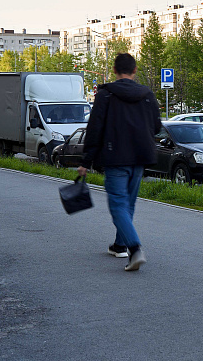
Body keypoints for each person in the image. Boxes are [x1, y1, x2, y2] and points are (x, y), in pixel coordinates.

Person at [78, 53, 161, 272]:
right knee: (128, 205)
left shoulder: (106, 95)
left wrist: (86, 161)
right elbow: (157, 126)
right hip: (140, 158)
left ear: (115, 71)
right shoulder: (147, 95)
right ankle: (120, 245)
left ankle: (134, 249)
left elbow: (95, 129)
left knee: (117, 204)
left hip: (116, 158)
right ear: (134, 71)